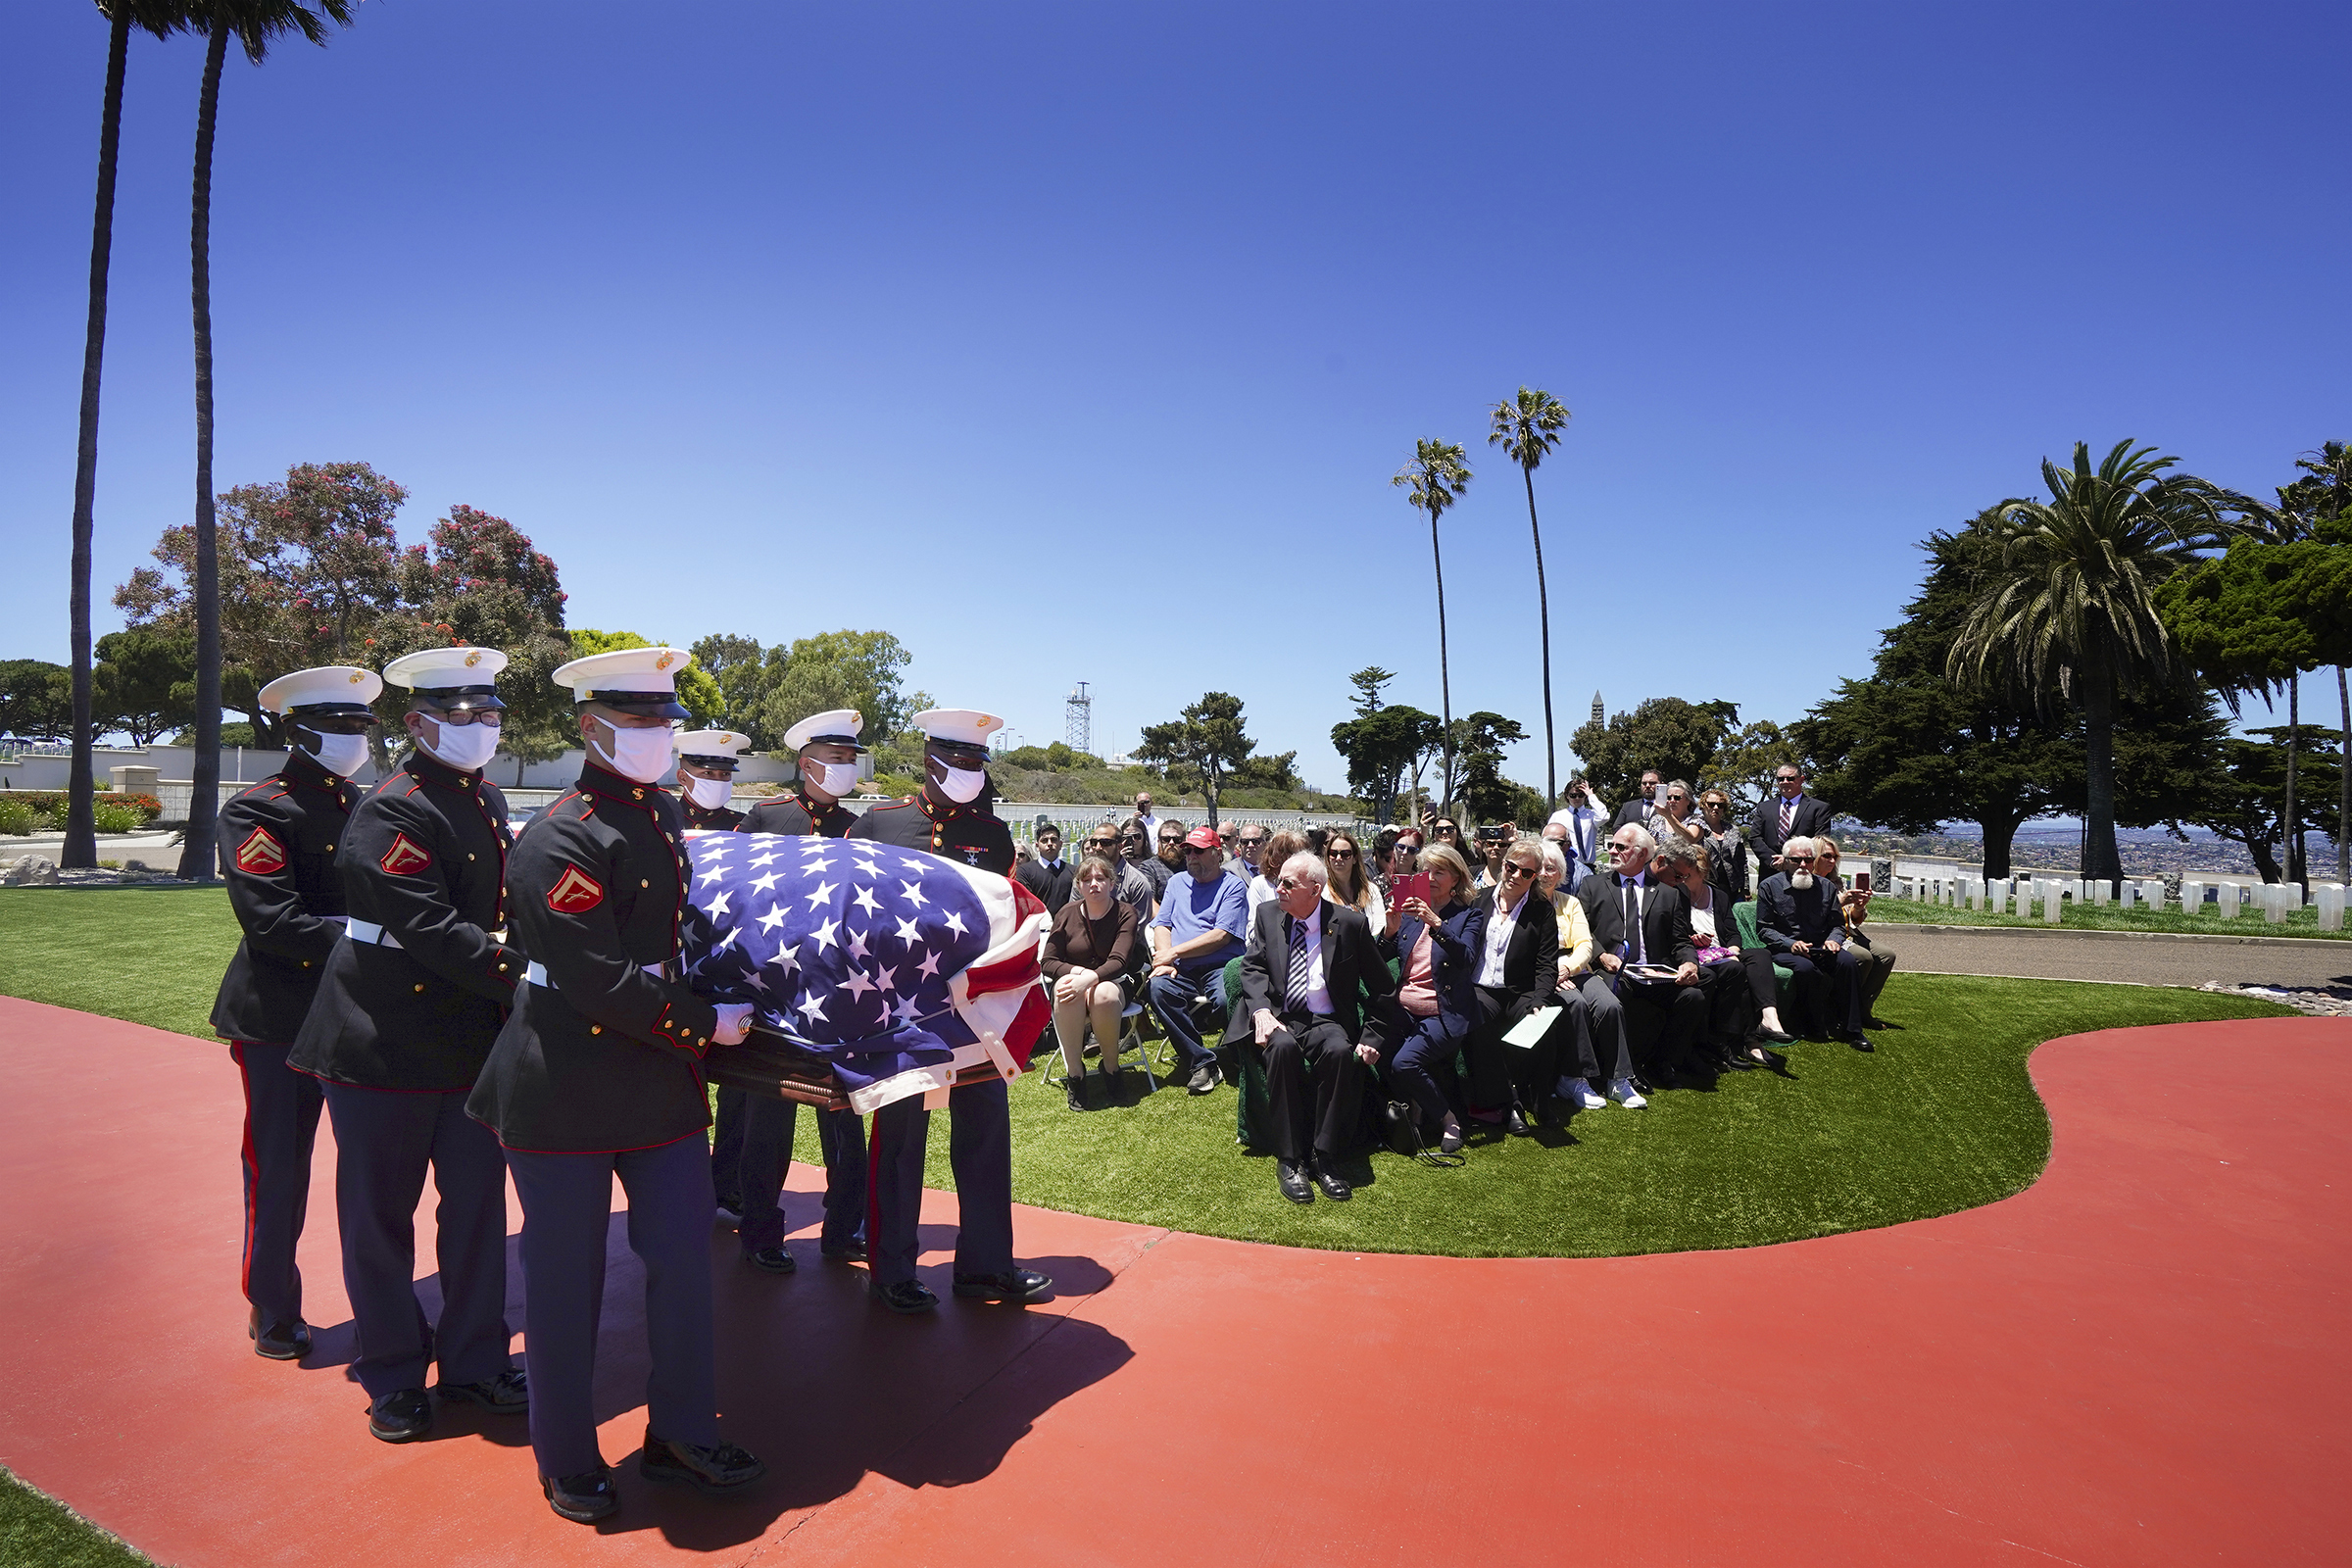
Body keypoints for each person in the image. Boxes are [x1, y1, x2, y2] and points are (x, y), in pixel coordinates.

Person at [467, 645, 763, 1523]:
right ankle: (565, 1456)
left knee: (682, 1263)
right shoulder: (558, 835)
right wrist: (704, 1025)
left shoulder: (661, 813)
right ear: (591, 726)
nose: (659, 737)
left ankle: (678, 1434)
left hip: (657, 1087)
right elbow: (593, 976)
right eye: (640, 722)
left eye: (665, 721)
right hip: (564, 1082)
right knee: (565, 1282)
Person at [288, 646, 526, 1445]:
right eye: (465, 716)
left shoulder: (486, 799)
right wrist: (532, 980)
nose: (482, 728)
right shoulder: (392, 808)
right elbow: (427, 927)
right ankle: (391, 1371)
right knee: (378, 1220)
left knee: (476, 1214)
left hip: (466, 1044)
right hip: (380, 1041)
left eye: (490, 714)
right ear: (421, 722)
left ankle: (474, 1361)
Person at [848, 709, 1054, 1313]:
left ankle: (985, 1267)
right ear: (930, 760)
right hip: (899, 1009)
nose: (968, 773)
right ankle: (891, 1270)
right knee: (900, 1137)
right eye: (958, 762)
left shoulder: (992, 835)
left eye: (976, 764)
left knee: (986, 1131)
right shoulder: (880, 824)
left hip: (971, 1010)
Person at [210, 663, 380, 1362]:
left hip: (360, 1011)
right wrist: (369, 938)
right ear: (297, 731)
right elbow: (270, 920)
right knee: (279, 1166)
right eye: (338, 727)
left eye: (359, 726)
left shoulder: (365, 806)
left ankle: (383, 1307)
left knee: (374, 1166)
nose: (352, 739)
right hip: (279, 1014)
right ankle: (271, 1304)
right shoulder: (256, 810)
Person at [718, 709, 872, 1275]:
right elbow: (742, 902)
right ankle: (760, 1232)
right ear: (807, 763)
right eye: (837, 759)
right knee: (769, 1118)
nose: (847, 769)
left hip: (838, 996)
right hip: (776, 994)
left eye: (851, 759)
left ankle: (845, 1227)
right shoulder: (767, 816)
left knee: (846, 1120)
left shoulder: (859, 826)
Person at [1230, 853, 1396, 1203]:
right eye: (1279, 881)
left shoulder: (1350, 924)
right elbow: (1252, 968)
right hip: (1281, 1014)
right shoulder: (1269, 914)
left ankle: (1324, 1156)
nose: (1279, 889)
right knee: (1284, 1049)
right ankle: (1290, 1160)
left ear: (1315, 889)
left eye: (1289, 884)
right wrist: (1260, 1011)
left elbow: (1383, 988)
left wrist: (1371, 1036)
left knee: (1339, 1052)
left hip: (1327, 1019)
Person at [1574, 822, 1709, 1087]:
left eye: (1621, 847)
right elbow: (1582, 932)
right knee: (1618, 992)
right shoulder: (1594, 885)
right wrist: (1601, 955)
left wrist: (1689, 963)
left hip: (1657, 972)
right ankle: (1628, 1067)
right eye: (1612, 845)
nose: (1612, 851)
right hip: (1614, 969)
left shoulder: (1668, 894)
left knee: (1693, 997)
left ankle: (1663, 1061)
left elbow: (1680, 940)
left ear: (1642, 853)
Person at [1371, 842, 1480, 1152]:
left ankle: (1448, 1119)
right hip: (1403, 1008)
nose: (1429, 877)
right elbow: (1381, 956)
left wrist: (1437, 923)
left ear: (1456, 879)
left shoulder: (1468, 916)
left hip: (1442, 1013)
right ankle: (1411, 1107)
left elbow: (1466, 957)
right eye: (1424, 871)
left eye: (1439, 872)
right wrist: (1389, 932)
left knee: (1404, 1063)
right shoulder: (1409, 912)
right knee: (1373, 1050)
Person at [1462, 836, 1567, 1132]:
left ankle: (1540, 1101)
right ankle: (1509, 1102)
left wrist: (1540, 1000)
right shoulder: (1478, 901)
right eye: (1511, 867)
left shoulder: (1541, 908)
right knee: (1479, 1019)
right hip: (1481, 988)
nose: (1516, 876)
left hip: (1522, 991)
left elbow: (1547, 962)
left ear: (1535, 877)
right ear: (1503, 865)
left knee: (1541, 1026)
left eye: (1527, 872)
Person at [1144, 824, 1251, 1095]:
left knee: (1228, 997)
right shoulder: (1177, 883)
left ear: (1217, 854)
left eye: (1199, 851)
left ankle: (1241, 1053)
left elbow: (1221, 936)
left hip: (1221, 965)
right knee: (1158, 989)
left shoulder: (1233, 886)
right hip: (1181, 968)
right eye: (1188, 850)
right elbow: (1162, 925)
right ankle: (1201, 1062)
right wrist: (1166, 960)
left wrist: (1173, 953)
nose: (1191, 855)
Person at [1654, 839, 1774, 1068]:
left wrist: (1733, 950)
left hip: (1722, 952)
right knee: (1734, 970)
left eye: (1688, 875)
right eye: (1682, 875)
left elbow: (1732, 931)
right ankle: (1727, 1041)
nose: (1683, 880)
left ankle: (1768, 1020)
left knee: (1759, 956)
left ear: (1703, 872)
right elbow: (1677, 935)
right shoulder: (1675, 894)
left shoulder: (1718, 896)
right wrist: (1693, 941)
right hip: (1696, 953)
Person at [1533, 840, 1626, 1111]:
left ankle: (1617, 1078)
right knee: (1576, 1004)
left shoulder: (1570, 902)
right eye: (1539, 868)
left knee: (1610, 1005)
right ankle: (1572, 1078)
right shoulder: (1527, 904)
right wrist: (1553, 972)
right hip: (1544, 972)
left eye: (1551, 868)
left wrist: (1567, 968)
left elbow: (1585, 944)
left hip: (1574, 968)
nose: (1544, 874)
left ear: (1560, 874)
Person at [1755, 835, 1871, 1050]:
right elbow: (1764, 929)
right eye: (1796, 860)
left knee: (1849, 963)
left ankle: (1853, 1030)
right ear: (1786, 861)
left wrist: (1834, 940)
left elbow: (1837, 925)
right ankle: (1814, 1024)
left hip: (1821, 946)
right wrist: (1790, 943)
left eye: (1808, 860)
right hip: (1786, 949)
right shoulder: (1769, 887)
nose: (1803, 865)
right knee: (1806, 969)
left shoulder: (1826, 887)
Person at [1044, 855, 1139, 1111]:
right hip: (1072, 982)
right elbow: (1048, 962)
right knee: (1066, 991)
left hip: (1114, 982)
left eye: (1100, 878)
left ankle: (1111, 1067)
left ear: (1112, 882)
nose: (1093, 884)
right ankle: (1076, 1074)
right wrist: (1078, 975)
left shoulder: (1125, 913)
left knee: (1103, 995)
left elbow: (1119, 960)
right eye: (1086, 880)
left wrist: (1088, 980)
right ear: (1078, 885)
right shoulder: (1066, 913)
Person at [1817, 838, 1896, 1025]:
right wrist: (1840, 902)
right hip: (1823, 935)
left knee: (1886, 955)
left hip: (1846, 933)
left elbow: (1854, 919)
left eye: (1835, 856)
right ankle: (1841, 1011)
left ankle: (1863, 1009)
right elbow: (1812, 917)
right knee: (1862, 957)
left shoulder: (1837, 882)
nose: (1832, 860)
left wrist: (1859, 907)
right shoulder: (1807, 881)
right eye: (1827, 856)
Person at [1747, 764, 1834, 881]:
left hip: (1804, 874)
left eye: (1790, 778)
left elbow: (1819, 842)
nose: (1785, 782)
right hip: (1770, 874)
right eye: (1780, 779)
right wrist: (1773, 860)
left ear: (1801, 779)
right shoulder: (1764, 807)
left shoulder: (1818, 808)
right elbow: (1755, 837)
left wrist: (1791, 860)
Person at [672, 729, 750, 830]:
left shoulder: (743, 826)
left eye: (725, 774)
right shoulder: (663, 821)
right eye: (708, 773)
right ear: (682, 778)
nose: (718, 780)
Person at [1080, 821, 1156, 923]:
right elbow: (1075, 918)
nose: (1097, 848)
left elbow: (1136, 928)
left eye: (1105, 842)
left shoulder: (1137, 883)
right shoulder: (1082, 877)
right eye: (1094, 842)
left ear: (1120, 846)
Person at [1321, 828, 1386, 933]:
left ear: (1355, 858)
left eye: (1345, 854)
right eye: (1333, 853)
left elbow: (1379, 926)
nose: (1338, 858)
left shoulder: (1371, 890)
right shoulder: (1321, 891)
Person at [1696, 788, 1750, 901]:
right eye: (1711, 804)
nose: (1716, 808)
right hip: (1705, 885)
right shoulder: (1696, 828)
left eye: (1720, 805)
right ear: (1703, 806)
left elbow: (1742, 861)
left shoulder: (1733, 830)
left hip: (1732, 887)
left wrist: (1746, 888)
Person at [1015, 821, 1076, 913]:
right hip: (1038, 924)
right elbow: (1027, 903)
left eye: (1053, 839)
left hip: (1066, 925)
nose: (1049, 843)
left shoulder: (1074, 871)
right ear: (1037, 846)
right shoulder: (1025, 871)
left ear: (1060, 844)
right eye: (1044, 840)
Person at [1122, 817, 1172, 900]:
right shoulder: (1116, 861)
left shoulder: (1154, 863)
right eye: (1127, 837)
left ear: (1144, 837)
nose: (1133, 840)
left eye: (1137, 836)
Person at [1655, 781, 1703, 845]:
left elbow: (1690, 840)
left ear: (1688, 801)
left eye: (1677, 798)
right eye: (1669, 798)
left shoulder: (1697, 819)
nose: (1672, 801)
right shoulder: (1657, 819)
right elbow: (1651, 844)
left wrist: (1669, 817)